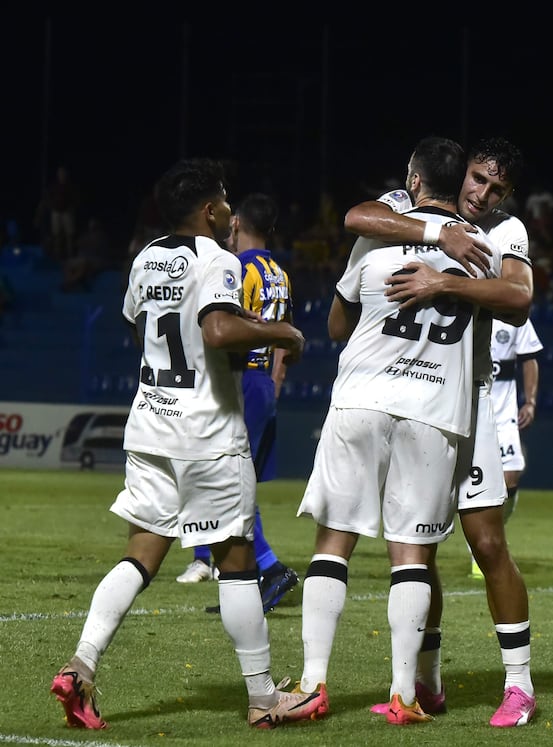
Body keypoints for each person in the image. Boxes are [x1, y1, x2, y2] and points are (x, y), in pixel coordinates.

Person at [49, 157, 324, 730]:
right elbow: (218, 329)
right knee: (238, 562)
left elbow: (138, 325)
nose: (230, 212)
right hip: (207, 433)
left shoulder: (146, 257)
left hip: (151, 425)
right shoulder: (217, 258)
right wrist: (283, 331)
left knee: (140, 555)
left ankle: (81, 665)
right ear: (208, 210)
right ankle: (264, 696)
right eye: (225, 202)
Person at [294, 136, 513, 726]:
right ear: (460, 182)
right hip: (434, 412)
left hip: (361, 399)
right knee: (411, 555)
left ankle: (313, 684)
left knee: (333, 542)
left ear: (413, 180)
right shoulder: (486, 251)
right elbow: (513, 300)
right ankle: (404, 695)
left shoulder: (379, 234)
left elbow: (339, 323)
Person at [178, 192, 300, 616]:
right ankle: (246, 580)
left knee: (226, 479)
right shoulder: (279, 273)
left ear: (237, 224)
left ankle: (267, 567)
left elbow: (231, 324)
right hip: (263, 380)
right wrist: (276, 380)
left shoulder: (238, 268)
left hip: (241, 379)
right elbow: (283, 331)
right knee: (237, 480)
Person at [467, 317, 542, 578]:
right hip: (466, 410)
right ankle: (478, 547)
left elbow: (530, 358)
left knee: (510, 480)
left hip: (503, 414)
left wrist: (530, 401)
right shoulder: (466, 307)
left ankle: (493, 535)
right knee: (471, 480)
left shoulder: (513, 314)